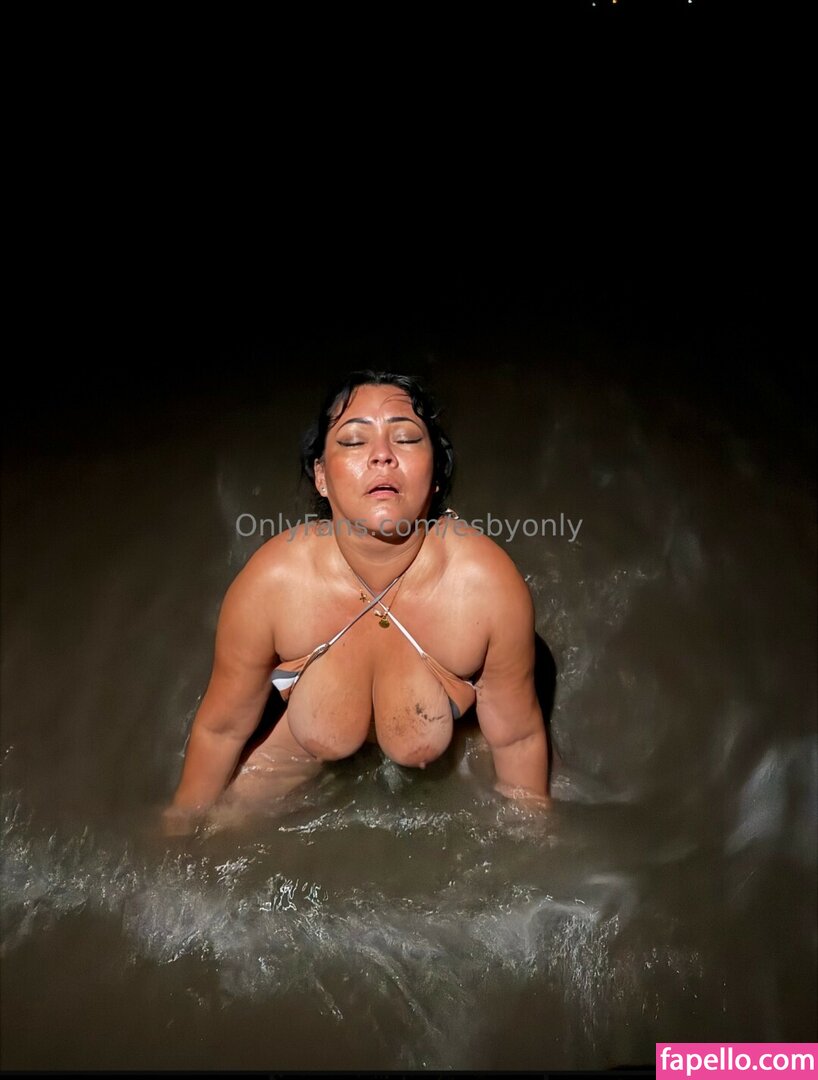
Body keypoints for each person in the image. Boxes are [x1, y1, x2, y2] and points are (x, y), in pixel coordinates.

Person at [163, 371, 549, 834]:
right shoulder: (272, 584)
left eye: (406, 438)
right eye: (352, 441)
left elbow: (518, 738)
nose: (382, 455)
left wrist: (535, 836)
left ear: (435, 478)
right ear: (321, 477)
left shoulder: (486, 586)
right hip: (302, 746)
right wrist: (179, 825)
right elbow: (221, 729)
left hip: (452, 737)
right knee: (216, 829)